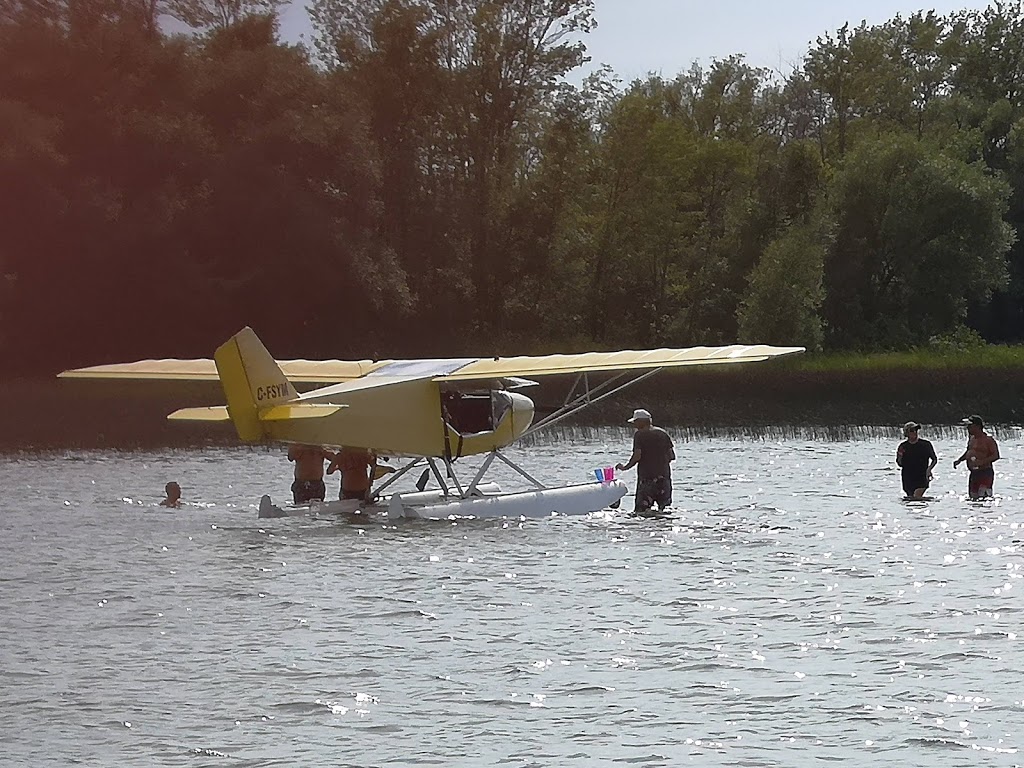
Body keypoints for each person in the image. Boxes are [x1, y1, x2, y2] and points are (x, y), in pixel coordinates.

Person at [615, 408, 675, 515]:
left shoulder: (640, 435)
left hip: (647, 479)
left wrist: (625, 467)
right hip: (664, 478)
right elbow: (671, 456)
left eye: (636, 422)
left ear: (642, 421)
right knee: (664, 510)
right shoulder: (663, 433)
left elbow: (637, 455)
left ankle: (644, 529)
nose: (634, 425)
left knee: (641, 512)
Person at [953, 415, 1000, 500]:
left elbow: (996, 455)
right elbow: (968, 451)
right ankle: (974, 513)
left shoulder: (988, 440)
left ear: (977, 426)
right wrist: (959, 460)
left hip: (985, 472)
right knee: (973, 498)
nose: (968, 428)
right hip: (974, 473)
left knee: (984, 497)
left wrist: (982, 462)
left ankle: (985, 512)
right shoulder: (972, 439)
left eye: (970, 426)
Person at [327, 446, 394, 501]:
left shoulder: (340, 456)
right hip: (362, 489)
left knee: (346, 513)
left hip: (348, 489)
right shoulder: (363, 454)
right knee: (364, 513)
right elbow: (374, 466)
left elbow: (329, 471)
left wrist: (340, 467)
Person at [895, 421, 937, 499]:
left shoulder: (926, 445)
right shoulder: (903, 446)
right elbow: (900, 464)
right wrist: (900, 456)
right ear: (906, 433)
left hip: (922, 476)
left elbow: (934, 459)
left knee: (917, 497)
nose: (914, 432)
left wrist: (929, 469)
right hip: (908, 477)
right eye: (912, 430)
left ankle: (922, 509)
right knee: (910, 499)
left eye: (916, 430)